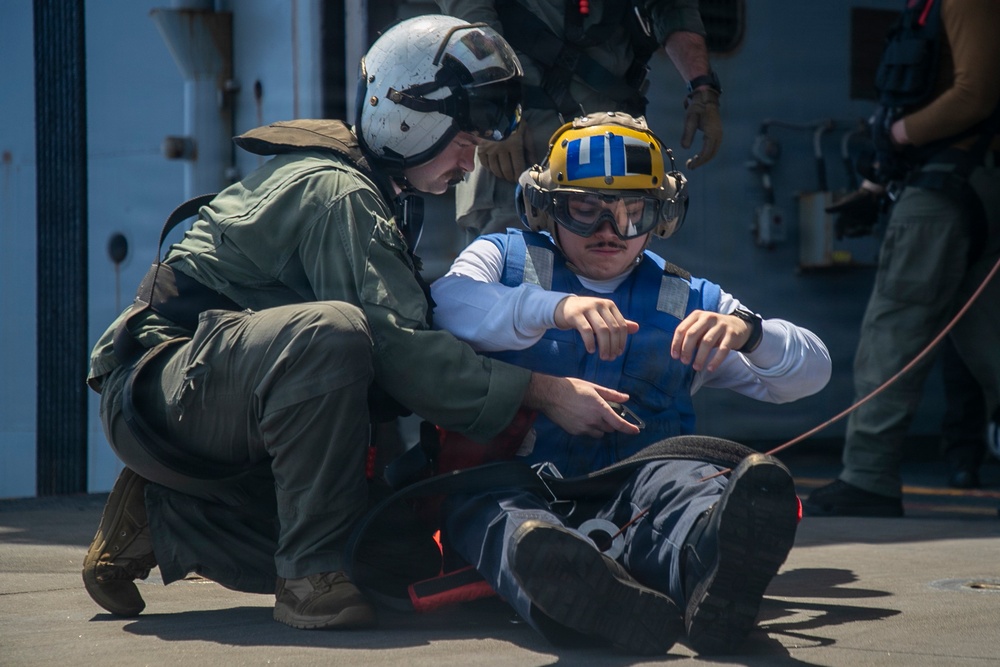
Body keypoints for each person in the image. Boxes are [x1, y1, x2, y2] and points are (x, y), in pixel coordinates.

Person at [81, 15, 647, 632]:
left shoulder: (382, 194)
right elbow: (398, 351)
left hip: (223, 397)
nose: (470, 163)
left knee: (397, 560)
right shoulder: (341, 194)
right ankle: (309, 577)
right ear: (411, 119)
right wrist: (543, 391)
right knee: (333, 334)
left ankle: (165, 518)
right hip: (160, 388)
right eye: (463, 141)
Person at [428, 112, 831, 654]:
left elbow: (810, 373)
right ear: (546, 207)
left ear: (661, 214)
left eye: (631, 212)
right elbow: (446, 304)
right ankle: (576, 595)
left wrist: (750, 333)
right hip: (518, 484)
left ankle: (712, 574)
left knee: (690, 487)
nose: (609, 231)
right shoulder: (504, 258)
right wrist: (553, 308)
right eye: (585, 209)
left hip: (637, 497)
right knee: (494, 516)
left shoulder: (689, 299)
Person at [804, 0, 1000, 517]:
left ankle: (868, 477)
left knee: (893, 331)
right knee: (990, 342)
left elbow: (975, 94)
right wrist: (875, 183)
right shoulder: (925, 9)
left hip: (947, 187)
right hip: (955, 181)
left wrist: (897, 134)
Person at [435, 0, 723, 240]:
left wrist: (702, 89)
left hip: (615, 151)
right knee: (513, 273)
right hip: (522, 146)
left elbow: (671, 6)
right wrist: (495, 111)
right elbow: (472, 24)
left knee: (611, 275)